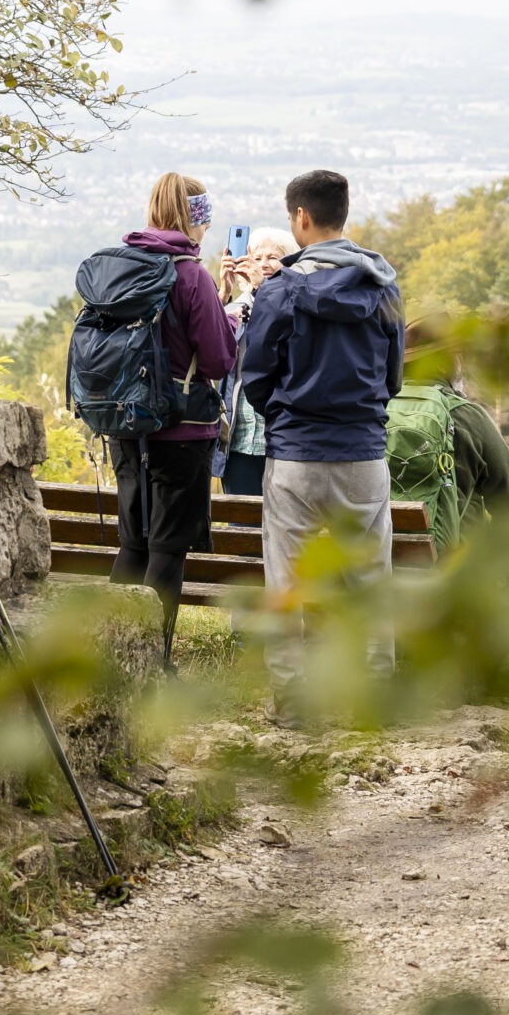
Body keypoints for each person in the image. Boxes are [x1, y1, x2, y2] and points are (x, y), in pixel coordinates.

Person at [238, 170, 406, 599]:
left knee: (286, 589)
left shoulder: (277, 292)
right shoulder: (383, 288)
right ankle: (375, 670)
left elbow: (255, 376)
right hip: (362, 450)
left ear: (302, 217)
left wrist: (282, 413)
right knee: (370, 589)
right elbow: (393, 377)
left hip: (295, 453)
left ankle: (289, 670)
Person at [105, 173, 236, 661]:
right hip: (182, 433)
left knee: (132, 546)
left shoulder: (122, 268)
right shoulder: (191, 275)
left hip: (126, 427)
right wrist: (228, 318)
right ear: (196, 218)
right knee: (166, 551)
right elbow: (220, 360)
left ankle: (110, 659)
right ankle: (152, 664)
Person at [391, 319, 509, 549]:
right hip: (452, 568)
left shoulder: (376, 410)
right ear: (443, 366)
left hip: (381, 564)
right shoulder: (467, 416)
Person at [214, 228, 292, 497]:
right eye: (256, 258)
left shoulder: (297, 302)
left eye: (273, 257)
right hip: (239, 439)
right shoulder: (235, 308)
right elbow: (209, 354)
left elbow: (285, 337)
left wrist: (265, 290)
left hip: (283, 441)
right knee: (241, 527)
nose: (264, 264)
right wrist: (223, 293)